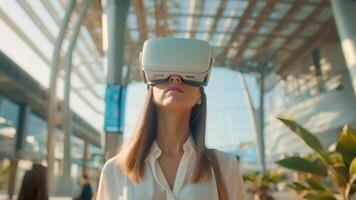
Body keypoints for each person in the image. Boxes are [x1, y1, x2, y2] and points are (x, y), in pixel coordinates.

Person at [97, 38, 247, 200]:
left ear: (199, 96)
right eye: (164, 73)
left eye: (187, 74)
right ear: (151, 91)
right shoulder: (114, 170)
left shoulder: (225, 166)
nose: (175, 78)